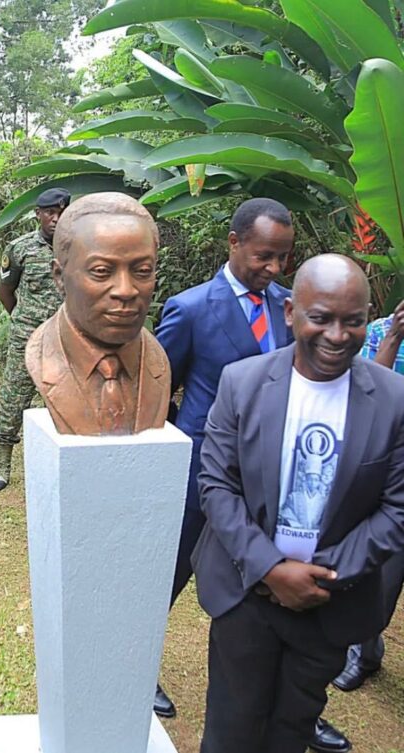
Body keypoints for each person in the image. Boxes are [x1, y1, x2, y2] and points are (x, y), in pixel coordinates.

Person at [193, 254, 404, 753]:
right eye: (321, 318)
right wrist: (272, 570)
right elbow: (217, 485)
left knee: (291, 729)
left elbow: (397, 509)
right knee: (230, 730)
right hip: (246, 594)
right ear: (291, 312)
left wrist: (323, 576)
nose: (337, 335)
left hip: (331, 602)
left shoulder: (394, 399)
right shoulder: (242, 383)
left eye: (353, 321)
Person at [153, 197, 295, 716]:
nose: (273, 268)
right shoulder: (190, 308)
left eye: (282, 257)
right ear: (234, 243)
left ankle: (286, 692)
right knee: (169, 573)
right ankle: (135, 666)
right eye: (263, 256)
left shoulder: (289, 306)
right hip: (202, 470)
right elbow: (158, 389)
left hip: (272, 475)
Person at [25, 192, 170, 434]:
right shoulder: (42, 357)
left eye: (143, 271)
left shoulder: (158, 364)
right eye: (101, 271)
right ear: (59, 277)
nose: (125, 291)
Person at [332, 299, 404, 692]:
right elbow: (370, 399)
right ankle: (364, 649)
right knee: (383, 571)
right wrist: (394, 336)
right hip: (389, 473)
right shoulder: (376, 332)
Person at [0, 187, 70, 490]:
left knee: (63, 400)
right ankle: (2, 465)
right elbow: (5, 291)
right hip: (27, 337)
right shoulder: (20, 248)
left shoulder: (78, 248)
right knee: (14, 398)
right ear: (38, 214)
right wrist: (23, 319)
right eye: (50, 212)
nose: (56, 218)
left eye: (61, 212)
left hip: (64, 338)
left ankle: (58, 462)